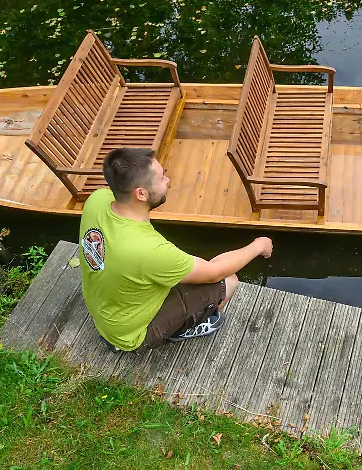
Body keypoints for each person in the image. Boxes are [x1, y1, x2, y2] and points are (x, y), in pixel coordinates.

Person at [78, 147, 273, 352]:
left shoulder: (97, 200)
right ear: (141, 193)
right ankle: (184, 328)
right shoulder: (149, 249)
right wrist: (258, 245)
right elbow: (214, 272)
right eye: (162, 177)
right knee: (228, 281)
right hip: (129, 335)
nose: (168, 180)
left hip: (106, 311)